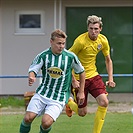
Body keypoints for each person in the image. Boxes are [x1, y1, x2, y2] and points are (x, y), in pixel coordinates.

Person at [19, 29, 85, 133]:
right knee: (28, 118)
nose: (61, 46)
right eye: (59, 43)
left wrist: (81, 92)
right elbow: (33, 69)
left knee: (46, 123)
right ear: (51, 41)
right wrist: (31, 76)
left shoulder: (70, 57)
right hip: (42, 93)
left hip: (59, 96)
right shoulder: (43, 55)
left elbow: (81, 71)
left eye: (63, 43)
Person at [67, 15, 116, 133]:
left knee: (104, 102)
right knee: (82, 113)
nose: (93, 31)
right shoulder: (80, 41)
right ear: (87, 28)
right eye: (91, 28)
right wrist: (73, 80)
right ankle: (69, 103)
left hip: (93, 76)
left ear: (100, 29)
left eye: (96, 29)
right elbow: (67, 60)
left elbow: (108, 60)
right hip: (79, 79)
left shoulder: (103, 40)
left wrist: (110, 78)